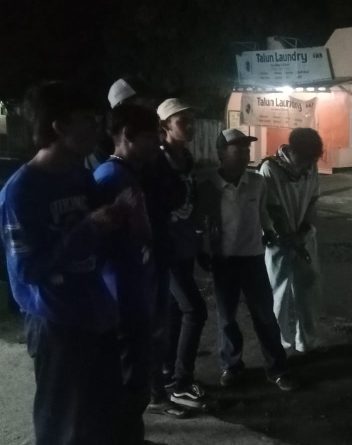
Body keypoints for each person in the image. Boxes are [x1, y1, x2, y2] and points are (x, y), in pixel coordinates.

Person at [0, 81, 133, 445]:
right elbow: (27, 270)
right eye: (87, 120)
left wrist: (117, 217)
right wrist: (89, 228)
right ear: (59, 126)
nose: (96, 129)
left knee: (102, 422)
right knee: (62, 428)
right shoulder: (21, 191)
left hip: (96, 313)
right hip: (55, 322)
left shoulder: (79, 176)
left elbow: (96, 241)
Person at [195, 128, 296, 391]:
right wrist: (202, 250)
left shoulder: (257, 182)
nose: (243, 153)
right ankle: (231, 366)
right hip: (223, 260)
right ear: (221, 153)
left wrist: (270, 231)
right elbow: (201, 222)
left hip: (253, 258)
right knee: (227, 317)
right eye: (237, 148)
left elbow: (262, 212)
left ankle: (277, 368)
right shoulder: (208, 184)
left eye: (246, 148)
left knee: (264, 316)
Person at [93, 104, 162, 443]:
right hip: (119, 298)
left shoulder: (127, 174)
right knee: (126, 385)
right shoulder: (109, 178)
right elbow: (99, 245)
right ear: (128, 136)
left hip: (134, 293)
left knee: (136, 383)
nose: (157, 145)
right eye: (151, 137)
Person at [145, 98, 209, 410]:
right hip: (166, 250)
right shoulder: (157, 162)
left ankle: (168, 373)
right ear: (165, 127)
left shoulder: (186, 158)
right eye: (182, 121)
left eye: (191, 120)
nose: (191, 126)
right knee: (195, 310)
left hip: (184, 246)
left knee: (174, 311)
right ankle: (181, 383)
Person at [259, 128, 323, 353]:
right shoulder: (270, 168)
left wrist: (303, 233)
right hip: (279, 241)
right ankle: (279, 343)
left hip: (304, 237)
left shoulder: (310, 166)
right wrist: (290, 237)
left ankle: (307, 341)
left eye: (312, 161)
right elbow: (272, 210)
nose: (309, 167)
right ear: (293, 152)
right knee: (279, 291)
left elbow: (313, 202)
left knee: (308, 289)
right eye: (306, 160)